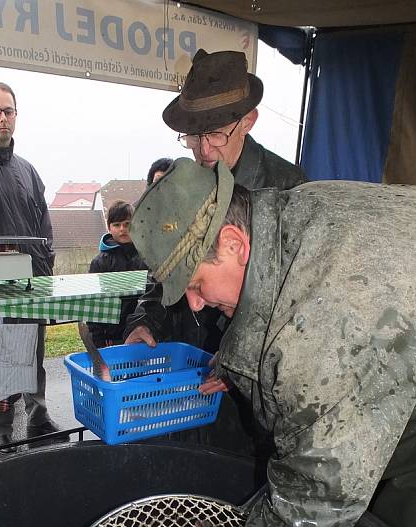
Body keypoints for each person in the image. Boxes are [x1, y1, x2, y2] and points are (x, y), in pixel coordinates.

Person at [129, 156, 416, 527]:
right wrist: (236, 361)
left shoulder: (328, 327)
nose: (194, 302)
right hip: (411, 356)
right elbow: (276, 301)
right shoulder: (290, 210)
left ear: (232, 243)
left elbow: (319, 490)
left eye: (194, 284)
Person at [124, 49, 306, 352]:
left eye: (216, 134)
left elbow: (295, 305)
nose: (204, 151)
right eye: (194, 137)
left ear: (248, 121)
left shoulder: (289, 190)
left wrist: (237, 360)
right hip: (192, 350)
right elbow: (166, 265)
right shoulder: (187, 184)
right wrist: (146, 320)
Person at [0, 81, 65, 453]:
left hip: (31, 283)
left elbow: (44, 226)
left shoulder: (28, 171)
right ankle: (1, 424)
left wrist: (45, 275)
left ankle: (38, 414)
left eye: (8, 111)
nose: (3, 119)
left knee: (34, 353)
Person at [85, 201, 146, 348]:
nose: (122, 229)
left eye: (127, 224)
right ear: (109, 227)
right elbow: (93, 304)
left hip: (143, 332)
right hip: (112, 336)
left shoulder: (147, 257)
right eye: (117, 225)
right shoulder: (100, 263)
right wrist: (98, 340)